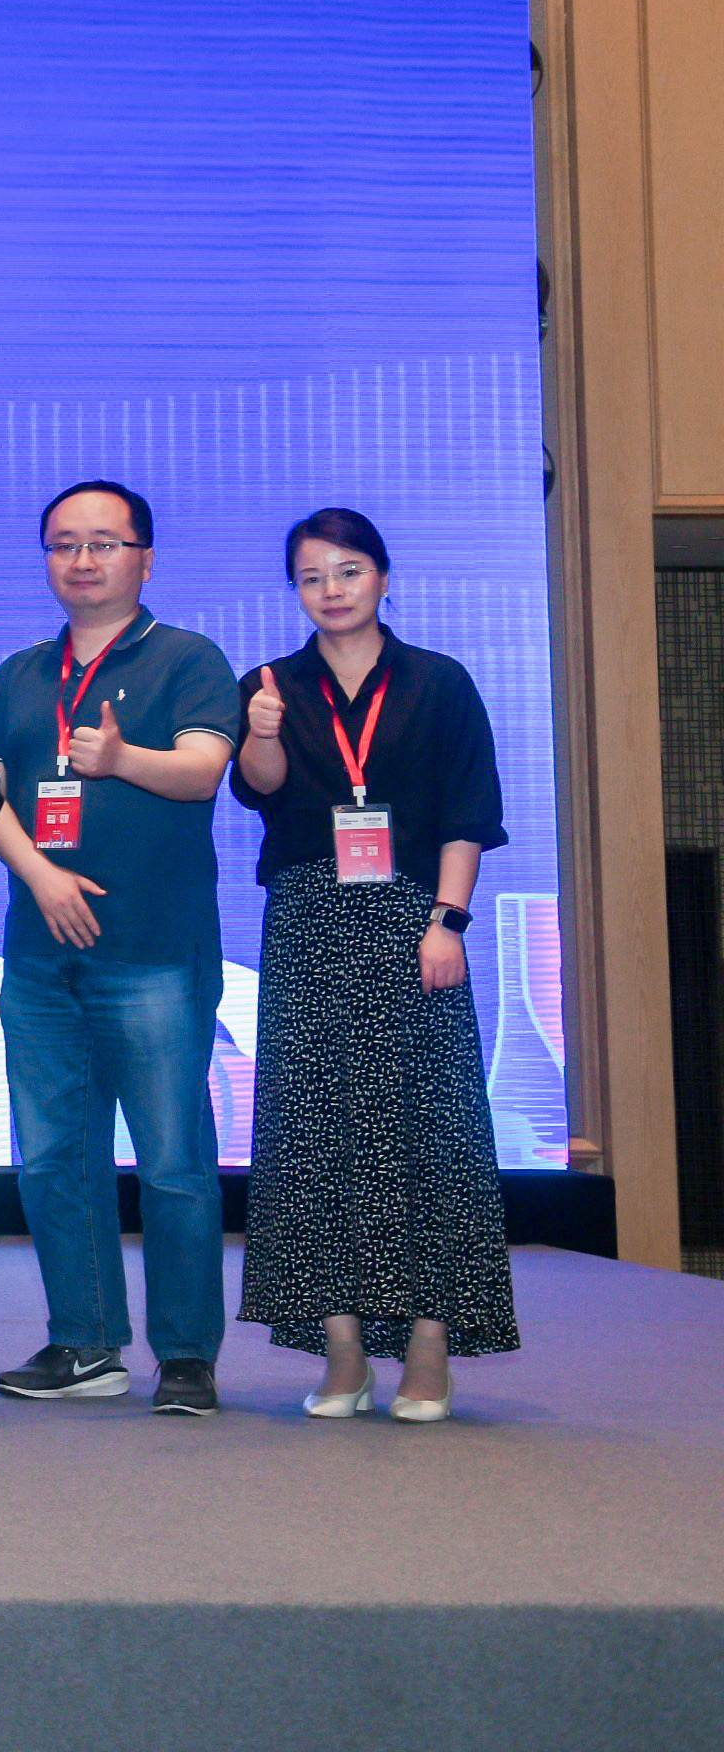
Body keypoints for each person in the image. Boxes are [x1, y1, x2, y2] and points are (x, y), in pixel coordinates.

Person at [230, 508, 516, 1421]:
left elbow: (469, 813)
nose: (332, 590)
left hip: (412, 919)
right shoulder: (272, 684)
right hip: (309, 919)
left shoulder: (438, 682)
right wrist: (261, 731)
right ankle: (343, 1348)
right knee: (314, 1134)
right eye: (312, 577)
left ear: (383, 578)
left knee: (431, 1130)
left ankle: (430, 1345)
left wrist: (449, 921)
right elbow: (261, 791)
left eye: (348, 571)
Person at [0, 479, 243, 1417]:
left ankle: (186, 1354)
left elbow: (204, 771)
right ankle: (86, 1341)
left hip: (155, 950)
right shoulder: (19, 674)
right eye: (63, 544)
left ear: (146, 558)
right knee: (54, 1156)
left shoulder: (187, 658)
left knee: (172, 1161)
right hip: (39, 951)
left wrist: (122, 758)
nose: (81, 561)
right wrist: (42, 878)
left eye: (102, 543)